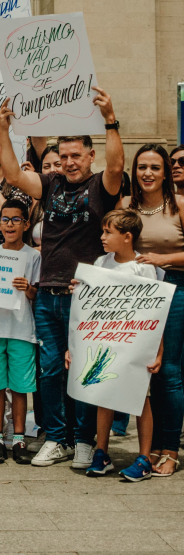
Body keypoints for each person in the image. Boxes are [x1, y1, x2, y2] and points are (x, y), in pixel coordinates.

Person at [0, 88, 124, 468]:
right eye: (63, 156)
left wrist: (110, 120)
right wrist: (3, 129)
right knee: (50, 370)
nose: (68, 163)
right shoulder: (51, 184)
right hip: (47, 294)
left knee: (84, 369)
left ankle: (84, 440)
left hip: (84, 296)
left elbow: (117, 167)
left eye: (75, 156)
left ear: (90, 156)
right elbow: (13, 175)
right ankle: (57, 438)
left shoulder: (101, 186)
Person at [72, 210, 161, 481]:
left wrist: (158, 350)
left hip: (136, 343)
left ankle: (144, 459)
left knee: (141, 398)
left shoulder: (143, 267)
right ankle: (102, 453)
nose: (102, 237)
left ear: (127, 237)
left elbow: (155, 312)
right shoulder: (101, 262)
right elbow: (88, 307)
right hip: (105, 342)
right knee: (104, 394)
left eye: (108, 232)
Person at [122, 145, 184, 476]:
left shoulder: (180, 206)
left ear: (165, 173)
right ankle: (153, 446)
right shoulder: (125, 206)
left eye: (155, 167)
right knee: (146, 371)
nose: (147, 173)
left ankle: (170, 449)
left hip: (174, 289)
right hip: (135, 295)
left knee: (169, 371)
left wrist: (164, 259)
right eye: (142, 167)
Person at [0, 199, 40, 465]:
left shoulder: (33, 256)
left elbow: (36, 294)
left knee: (21, 386)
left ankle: (19, 439)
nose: (10, 225)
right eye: (5, 219)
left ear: (26, 224)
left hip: (22, 329)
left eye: (16, 220)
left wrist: (28, 288)